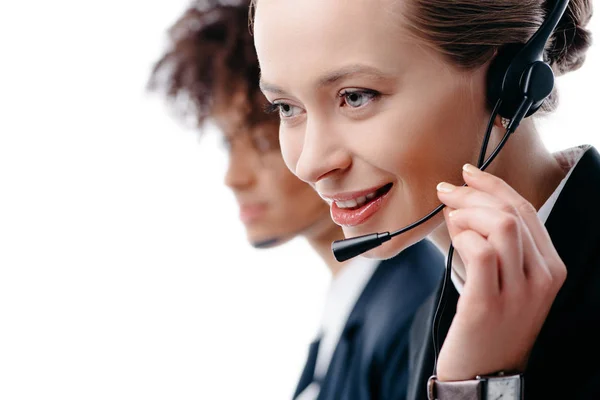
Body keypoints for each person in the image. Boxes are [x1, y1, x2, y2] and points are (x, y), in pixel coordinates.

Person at [251, 0, 599, 399]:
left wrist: (480, 388)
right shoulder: (433, 320)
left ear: (511, 82)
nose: (310, 163)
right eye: (286, 107)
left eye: (357, 96)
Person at [147, 1, 444, 399]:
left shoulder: (416, 310)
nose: (235, 177)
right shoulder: (350, 306)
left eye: (261, 142)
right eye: (285, 109)